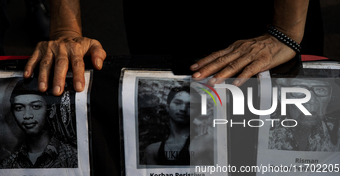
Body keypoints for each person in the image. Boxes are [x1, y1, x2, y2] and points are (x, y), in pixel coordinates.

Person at [22, 0, 317, 96]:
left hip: (268, 17)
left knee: (266, 166)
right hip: (164, 13)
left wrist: (286, 31)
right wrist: (65, 29)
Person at [0, 77, 78, 168]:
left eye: (36, 106)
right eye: (19, 108)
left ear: (51, 110)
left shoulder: (72, 158)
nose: (27, 115)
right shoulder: (7, 165)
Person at [144, 85, 213, 165]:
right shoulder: (153, 150)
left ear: (198, 111)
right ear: (167, 106)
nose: (183, 109)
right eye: (178, 103)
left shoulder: (206, 142)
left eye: (191, 105)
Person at [269, 76, 340, 151]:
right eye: (299, 90)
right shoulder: (264, 131)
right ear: (280, 95)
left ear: (330, 95)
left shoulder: (336, 130)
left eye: (320, 89)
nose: (312, 101)